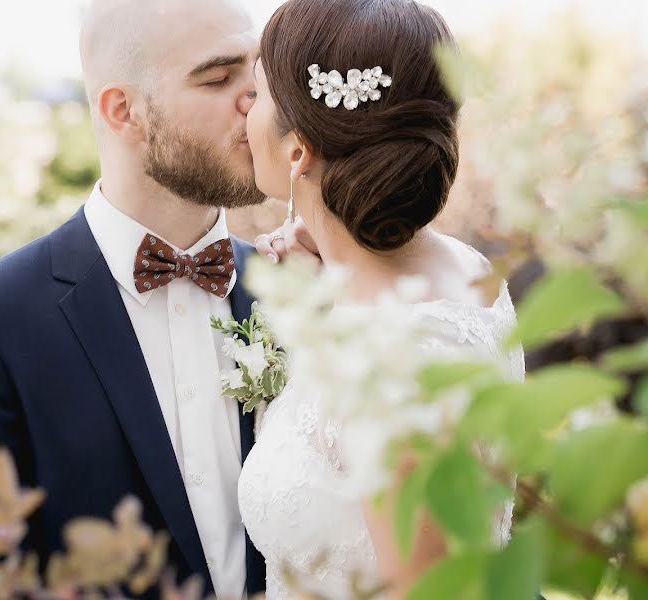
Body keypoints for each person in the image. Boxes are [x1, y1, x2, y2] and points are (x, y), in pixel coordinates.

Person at [0, 0, 267, 596]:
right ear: (122, 111)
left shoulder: (304, 294)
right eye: (218, 77)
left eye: (257, 73)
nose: (254, 101)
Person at [236, 0, 526, 598]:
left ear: (298, 152)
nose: (245, 108)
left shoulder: (398, 369)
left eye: (258, 92)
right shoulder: (462, 269)